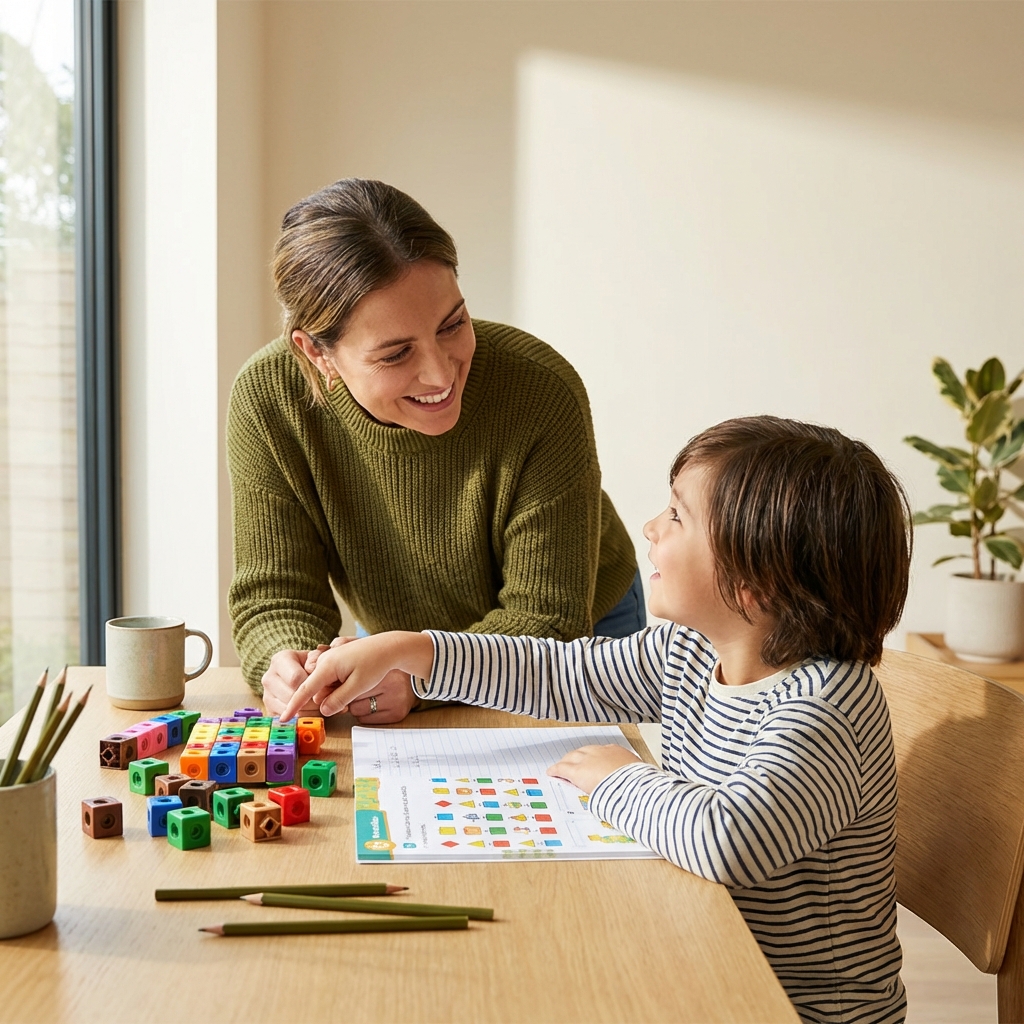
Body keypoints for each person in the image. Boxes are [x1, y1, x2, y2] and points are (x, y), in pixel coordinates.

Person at [284, 416, 910, 1024]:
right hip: (703, 959)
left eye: (676, 516)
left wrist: (619, 779)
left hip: (793, 1008)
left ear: (757, 584)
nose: (649, 527)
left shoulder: (827, 707)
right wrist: (415, 651)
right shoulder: (690, 650)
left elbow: (728, 843)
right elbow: (560, 675)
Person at [227, 178, 641, 721]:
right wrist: (290, 668)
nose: (440, 372)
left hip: (575, 639)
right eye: (396, 353)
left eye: (453, 325)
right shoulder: (268, 400)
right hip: (393, 646)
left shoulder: (541, 389)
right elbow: (275, 596)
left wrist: (422, 678)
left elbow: (548, 621)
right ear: (315, 351)